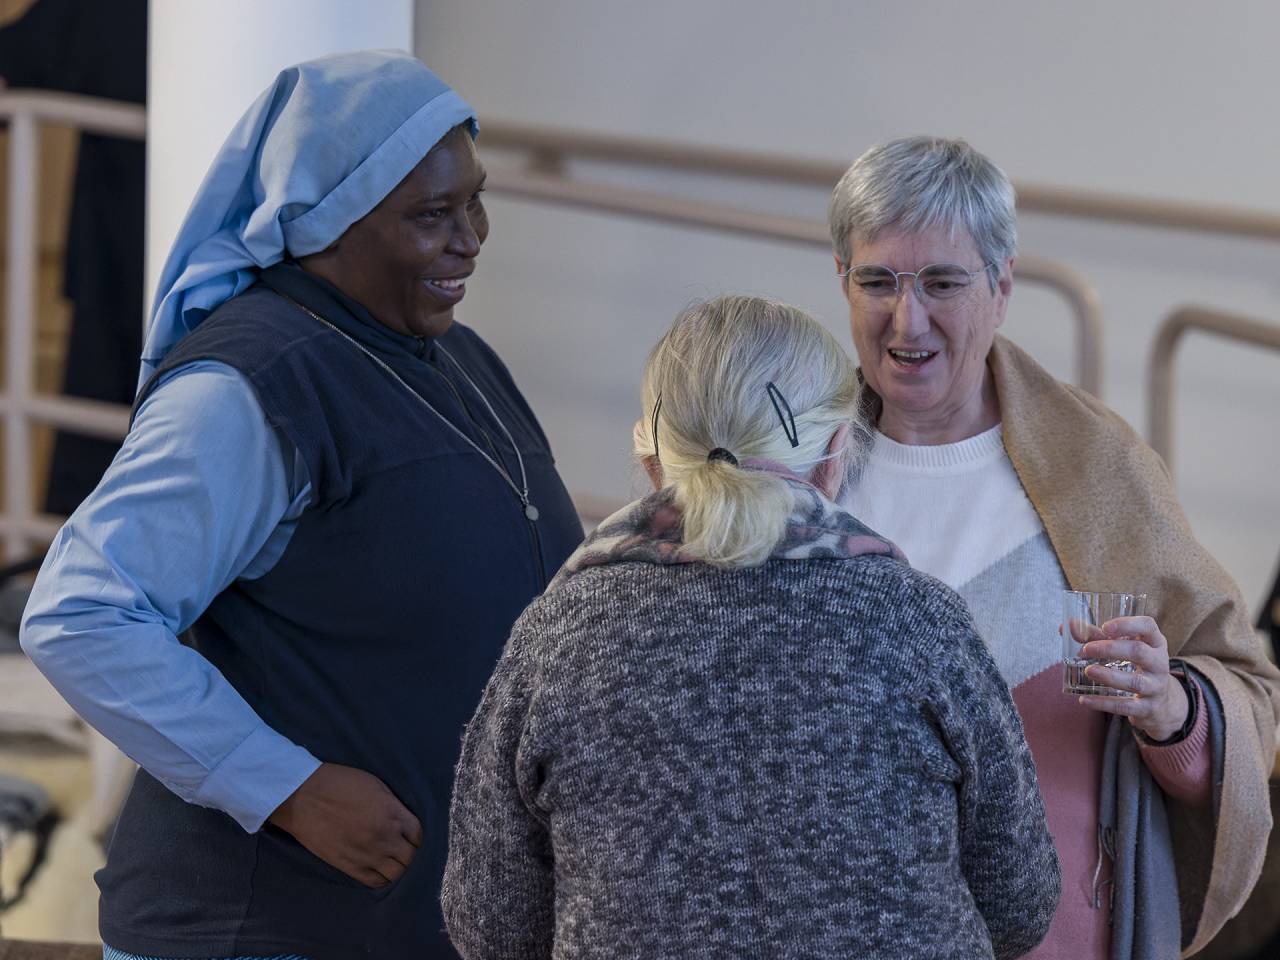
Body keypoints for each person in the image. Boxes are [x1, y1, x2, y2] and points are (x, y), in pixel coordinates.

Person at [20, 50, 583, 960]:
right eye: (430, 215)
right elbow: (81, 614)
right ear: (325, 219)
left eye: (474, 202)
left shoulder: (460, 359)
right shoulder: (252, 386)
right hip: (260, 931)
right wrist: (288, 788)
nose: (470, 238)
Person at [442, 294, 1061, 959]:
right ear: (836, 453)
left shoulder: (559, 637)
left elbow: (492, 926)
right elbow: (1018, 900)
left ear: (651, 463)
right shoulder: (918, 623)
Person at [828, 135, 1280, 960]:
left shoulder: (1096, 467)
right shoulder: (798, 476)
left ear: (1002, 287)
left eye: (942, 283)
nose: (907, 318)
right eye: (879, 281)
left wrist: (1171, 710)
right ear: (841, 279)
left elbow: (1248, 696)